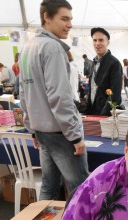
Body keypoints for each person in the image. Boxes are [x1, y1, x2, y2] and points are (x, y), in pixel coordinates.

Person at [19, 0, 89, 200]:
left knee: (49, 186)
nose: (69, 24)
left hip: (42, 130)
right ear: (47, 17)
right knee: (80, 190)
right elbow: (59, 96)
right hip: (60, 132)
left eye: (70, 19)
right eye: (64, 19)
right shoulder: (52, 47)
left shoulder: (27, 48)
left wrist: (31, 128)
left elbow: (23, 93)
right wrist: (75, 135)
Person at [86, 27, 122, 116]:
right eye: (95, 40)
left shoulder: (114, 63)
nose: (97, 43)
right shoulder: (93, 63)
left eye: (101, 40)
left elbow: (115, 95)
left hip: (105, 114)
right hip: (93, 112)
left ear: (108, 42)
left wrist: (104, 115)